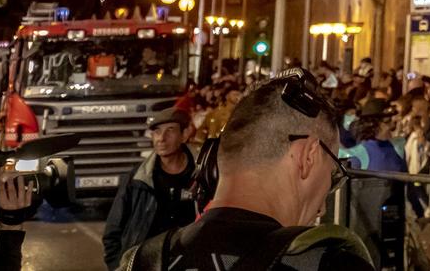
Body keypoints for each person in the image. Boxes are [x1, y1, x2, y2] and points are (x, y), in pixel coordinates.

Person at [116, 74, 373, 271]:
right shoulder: (328, 264)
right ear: (308, 157)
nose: (322, 209)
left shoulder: (141, 261)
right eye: (333, 175)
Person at [103, 108, 199, 269]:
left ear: (184, 134)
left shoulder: (202, 176)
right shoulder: (137, 179)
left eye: (170, 130)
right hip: (146, 263)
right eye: (157, 131)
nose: (161, 138)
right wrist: (119, 267)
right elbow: (113, 231)